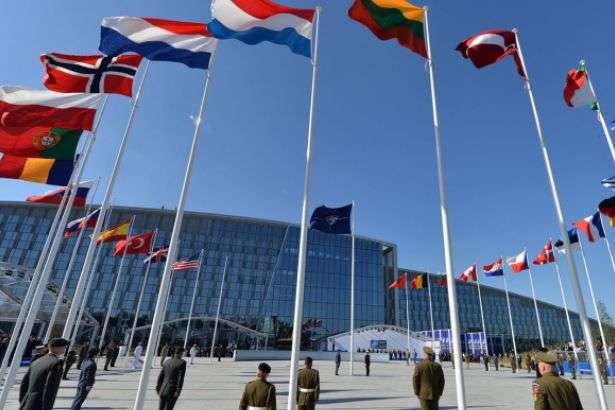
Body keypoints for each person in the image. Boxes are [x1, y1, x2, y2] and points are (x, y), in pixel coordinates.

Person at [19, 337, 68, 410]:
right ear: (57, 348)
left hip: (27, 402)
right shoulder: (56, 363)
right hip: (38, 405)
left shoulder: (37, 360)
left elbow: (24, 383)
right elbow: (50, 390)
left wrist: (23, 401)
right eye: (64, 347)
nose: (64, 349)